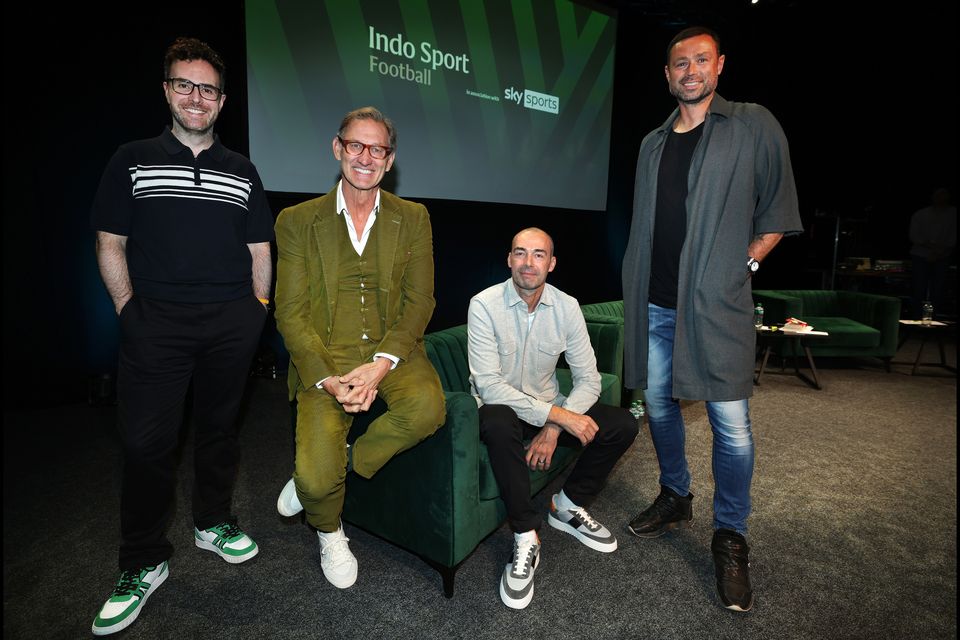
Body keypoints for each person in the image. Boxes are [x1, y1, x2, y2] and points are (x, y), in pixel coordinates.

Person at [90, 37, 273, 635]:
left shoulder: (242, 170)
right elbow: (110, 242)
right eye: (184, 85)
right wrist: (128, 310)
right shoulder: (132, 158)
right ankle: (143, 560)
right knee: (146, 445)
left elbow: (259, 247)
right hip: (156, 325)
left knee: (219, 433)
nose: (197, 97)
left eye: (209, 89)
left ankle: (212, 521)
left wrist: (258, 308)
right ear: (167, 90)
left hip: (230, 324)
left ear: (222, 101)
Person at [621, 26, 802, 613]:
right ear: (666, 75)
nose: (690, 70)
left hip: (717, 304)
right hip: (653, 300)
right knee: (657, 402)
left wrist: (743, 264)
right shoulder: (651, 143)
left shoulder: (752, 124)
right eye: (679, 63)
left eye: (701, 60)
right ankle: (676, 494)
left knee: (731, 423)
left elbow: (778, 208)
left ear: (720, 65)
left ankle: (731, 535)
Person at [272, 106, 446, 590]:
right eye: (355, 145)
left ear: (389, 160)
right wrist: (327, 378)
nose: (365, 157)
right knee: (311, 477)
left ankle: (343, 463)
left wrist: (380, 365)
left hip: (392, 351)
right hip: (325, 357)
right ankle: (328, 529)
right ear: (338, 148)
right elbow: (290, 312)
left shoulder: (413, 218)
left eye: (377, 149)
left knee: (429, 408)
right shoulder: (296, 221)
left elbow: (420, 300)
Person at [468, 227, 639, 610]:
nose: (529, 263)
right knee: (496, 419)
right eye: (520, 253)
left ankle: (568, 504)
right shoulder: (483, 304)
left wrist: (553, 425)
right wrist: (558, 415)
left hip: (546, 408)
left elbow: (589, 379)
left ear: (552, 263)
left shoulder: (567, 307)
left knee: (623, 424)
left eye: (539, 254)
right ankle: (526, 534)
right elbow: (491, 387)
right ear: (509, 259)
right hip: (501, 411)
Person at [909, 187, 956, 319]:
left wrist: (939, 251)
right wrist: (932, 248)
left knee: (938, 288)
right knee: (919, 287)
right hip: (921, 255)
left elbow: (952, 237)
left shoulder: (952, 214)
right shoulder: (920, 214)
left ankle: (934, 316)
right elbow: (914, 236)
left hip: (943, 255)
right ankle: (916, 316)